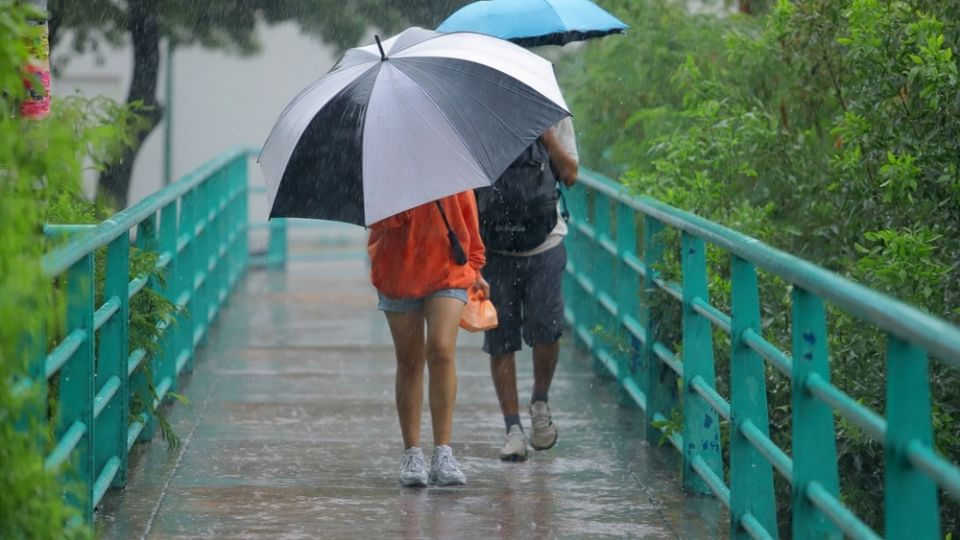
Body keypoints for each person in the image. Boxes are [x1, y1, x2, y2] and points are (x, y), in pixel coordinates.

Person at [368, 191, 489, 486]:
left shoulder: (448, 165)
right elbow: (378, 225)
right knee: (409, 360)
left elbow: (467, 220)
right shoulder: (388, 176)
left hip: (449, 267)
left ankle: (443, 452)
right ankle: (412, 453)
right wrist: (406, 203)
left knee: (441, 349)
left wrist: (476, 269)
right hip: (398, 269)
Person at [480, 117, 579, 461]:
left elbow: (571, 174)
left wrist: (544, 133)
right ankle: (512, 429)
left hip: (546, 242)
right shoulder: (479, 117)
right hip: (496, 247)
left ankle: (539, 403)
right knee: (500, 338)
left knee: (547, 330)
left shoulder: (553, 112)